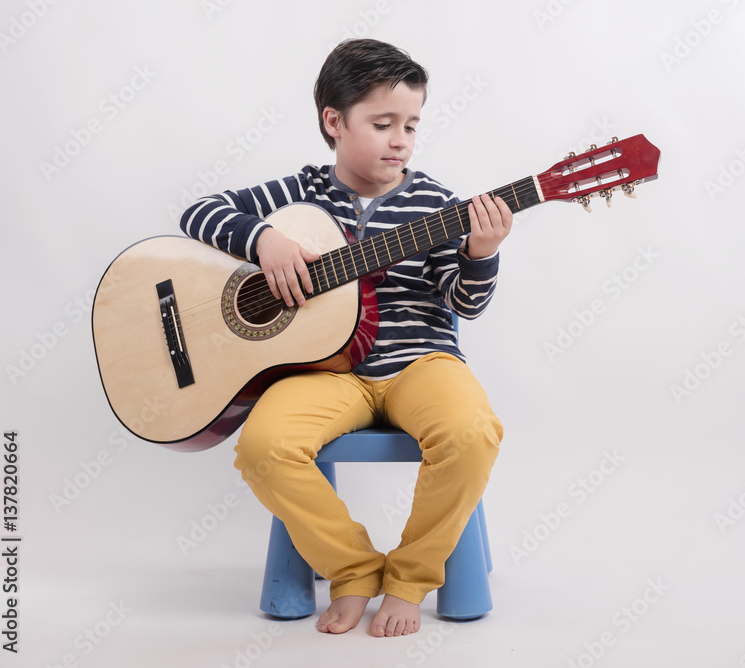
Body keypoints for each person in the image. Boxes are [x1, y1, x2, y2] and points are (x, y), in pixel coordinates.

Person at [179, 38, 510, 637]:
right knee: (264, 447)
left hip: (420, 362)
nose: (401, 139)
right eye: (382, 123)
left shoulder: (436, 203)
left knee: (471, 433)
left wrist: (480, 254)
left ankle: (409, 579)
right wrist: (264, 241)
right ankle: (354, 570)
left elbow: (467, 302)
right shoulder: (299, 193)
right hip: (325, 372)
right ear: (334, 121)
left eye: (411, 124)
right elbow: (200, 212)